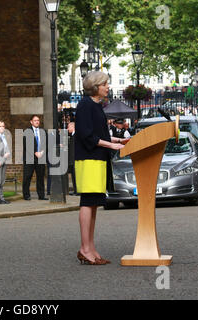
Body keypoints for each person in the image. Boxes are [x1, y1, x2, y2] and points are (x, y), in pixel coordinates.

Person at [75, 71, 129, 265]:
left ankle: (90, 248)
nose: (108, 87)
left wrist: (119, 140)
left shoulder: (97, 106)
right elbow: (86, 135)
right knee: (87, 202)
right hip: (88, 160)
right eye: (105, 84)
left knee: (94, 203)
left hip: (97, 159)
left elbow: (100, 135)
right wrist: (112, 145)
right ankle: (84, 249)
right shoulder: (85, 105)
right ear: (96, 86)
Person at [22, 115, 48, 200]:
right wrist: (35, 152)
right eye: (35, 120)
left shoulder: (43, 131)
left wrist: (42, 152)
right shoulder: (27, 131)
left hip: (41, 157)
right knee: (27, 176)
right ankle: (26, 195)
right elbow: (27, 144)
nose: (37, 122)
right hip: (30, 158)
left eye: (38, 120)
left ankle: (41, 195)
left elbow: (46, 143)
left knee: (40, 177)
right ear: (31, 122)